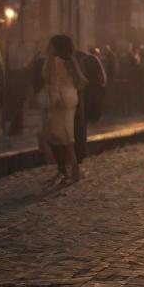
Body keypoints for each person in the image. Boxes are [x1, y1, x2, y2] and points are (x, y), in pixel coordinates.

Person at [38, 34, 87, 186]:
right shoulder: (70, 61)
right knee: (65, 134)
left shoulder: (53, 61)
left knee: (53, 135)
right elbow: (82, 82)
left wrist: (52, 100)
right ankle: (67, 170)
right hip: (71, 96)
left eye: (50, 44)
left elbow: (53, 82)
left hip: (59, 98)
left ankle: (70, 169)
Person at [74, 48, 107, 164]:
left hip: (84, 97)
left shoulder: (81, 64)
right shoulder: (94, 61)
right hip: (93, 97)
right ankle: (81, 152)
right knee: (83, 127)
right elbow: (103, 80)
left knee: (80, 127)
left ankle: (80, 153)